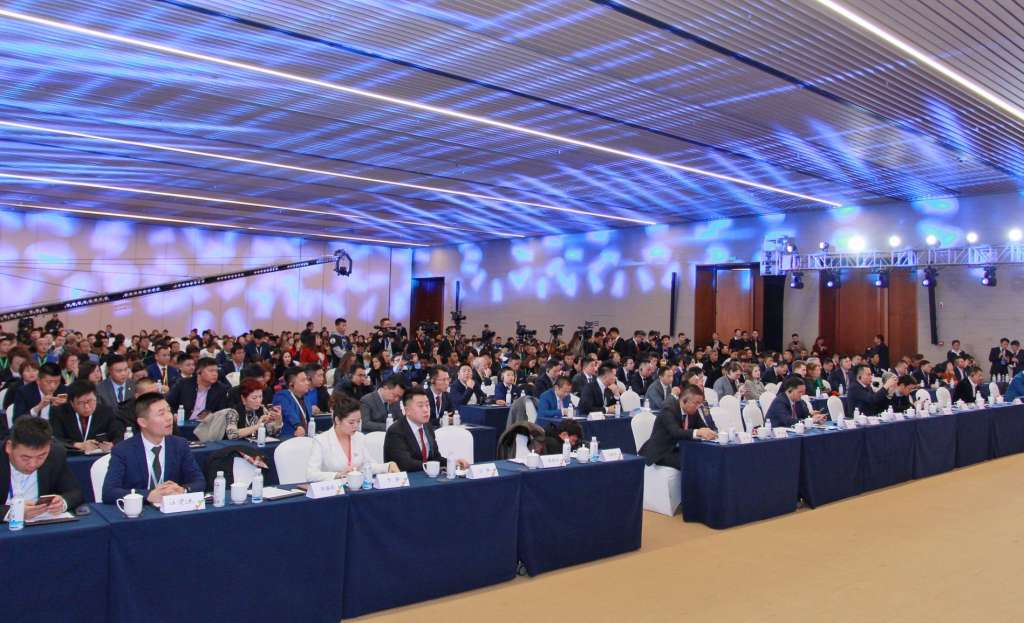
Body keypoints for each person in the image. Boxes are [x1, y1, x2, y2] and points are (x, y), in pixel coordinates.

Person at [101, 392, 205, 505]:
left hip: (171, 509)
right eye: (161, 414)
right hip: (140, 511)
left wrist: (183, 490)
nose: (169, 417)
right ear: (143, 422)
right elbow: (109, 492)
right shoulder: (123, 450)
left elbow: (199, 481)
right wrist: (148, 495)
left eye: (169, 411)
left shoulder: (179, 445)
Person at [1, 417, 83, 517]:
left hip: (41, 520)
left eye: (41, 456)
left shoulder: (55, 454)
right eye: (25, 458)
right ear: (9, 447)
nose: (33, 464)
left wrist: (62, 502)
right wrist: (13, 512)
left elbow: (75, 492)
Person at [306, 396, 398, 481]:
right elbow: (311, 474)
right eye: (351, 422)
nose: (356, 426)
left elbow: (368, 465)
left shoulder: (359, 437)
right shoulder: (321, 440)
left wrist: (387, 466)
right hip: (333, 489)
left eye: (358, 421)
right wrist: (337, 475)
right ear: (337, 420)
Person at [383, 388, 469, 473]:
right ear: (407, 410)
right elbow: (406, 464)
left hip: (427, 475)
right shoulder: (396, 431)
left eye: (427, 405)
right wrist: (434, 466)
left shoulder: (427, 426)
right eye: (420, 406)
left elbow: (435, 457)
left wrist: (452, 463)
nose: (426, 410)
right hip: (407, 478)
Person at [639, 384, 716, 468]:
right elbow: (676, 432)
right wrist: (698, 432)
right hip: (663, 451)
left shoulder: (693, 411)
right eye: (696, 403)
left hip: (681, 449)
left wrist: (709, 432)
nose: (698, 407)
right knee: (691, 461)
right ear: (684, 401)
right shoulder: (668, 409)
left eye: (699, 404)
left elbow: (702, 427)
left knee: (706, 457)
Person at [50, 380, 124, 452]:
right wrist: (78, 445)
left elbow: (119, 435)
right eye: (81, 403)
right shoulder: (59, 412)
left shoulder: (106, 412)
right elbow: (55, 439)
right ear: (72, 403)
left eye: (90, 401)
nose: (87, 406)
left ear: (96, 398)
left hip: (98, 455)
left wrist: (112, 445)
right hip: (71, 455)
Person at [166, 357, 229, 422]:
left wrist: (211, 415)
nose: (215, 374)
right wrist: (174, 414)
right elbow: (168, 402)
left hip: (206, 425)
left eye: (216, 371)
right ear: (198, 371)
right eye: (211, 371)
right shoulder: (183, 384)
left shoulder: (221, 389)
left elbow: (222, 412)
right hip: (183, 423)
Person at [271, 367, 316, 438]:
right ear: (291, 384)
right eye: (303, 380)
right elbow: (289, 413)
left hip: (305, 437)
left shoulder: (306, 398)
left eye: (307, 379)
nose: (307, 383)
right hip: (286, 438)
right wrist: (298, 426)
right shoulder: (281, 396)